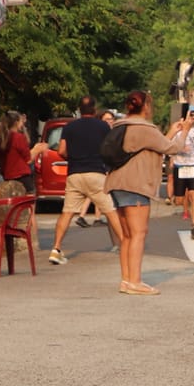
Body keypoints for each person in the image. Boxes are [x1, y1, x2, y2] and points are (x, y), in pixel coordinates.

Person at [103, 90, 185, 295]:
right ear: (146, 106)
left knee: (127, 236)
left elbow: (154, 146)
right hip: (135, 184)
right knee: (139, 233)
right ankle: (135, 282)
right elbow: (173, 148)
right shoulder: (145, 128)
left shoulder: (119, 125)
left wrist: (171, 131)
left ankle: (126, 280)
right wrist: (185, 130)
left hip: (117, 183)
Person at [48, 96, 122, 264]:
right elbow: (110, 149)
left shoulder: (69, 127)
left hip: (74, 174)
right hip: (96, 173)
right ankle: (125, 244)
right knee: (111, 211)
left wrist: (72, 157)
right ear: (94, 110)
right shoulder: (103, 126)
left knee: (67, 213)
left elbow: (61, 150)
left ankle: (56, 248)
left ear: (79, 110)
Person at [168, 107, 194, 220]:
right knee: (180, 198)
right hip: (180, 164)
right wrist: (174, 157)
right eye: (191, 115)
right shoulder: (178, 128)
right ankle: (183, 208)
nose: (193, 118)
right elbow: (170, 144)